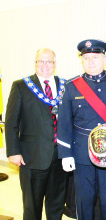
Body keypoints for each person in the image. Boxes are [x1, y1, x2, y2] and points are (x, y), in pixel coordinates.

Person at [57, 39, 106, 220]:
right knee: (84, 201)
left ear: (105, 58)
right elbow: (64, 122)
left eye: (95, 57)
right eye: (86, 58)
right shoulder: (72, 86)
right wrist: (65, 153)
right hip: (82, 154)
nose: (91, 62)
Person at [5, 48, 67, 220]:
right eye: (41, 61)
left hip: (59, 157)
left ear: (55, 64)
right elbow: (11, 122)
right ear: (35, 63)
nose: (45, 65)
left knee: (56, 204)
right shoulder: (21, 86)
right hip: (31, 156)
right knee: (32, 206)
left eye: (49, 61)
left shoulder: (65, 85)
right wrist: (13, 151)